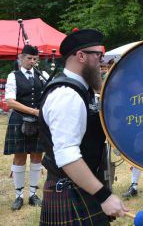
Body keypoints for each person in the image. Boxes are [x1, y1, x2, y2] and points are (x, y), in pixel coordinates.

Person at [38, 29, 128, 225]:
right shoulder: (67, 96)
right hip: (72, 190)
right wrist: (104, 196)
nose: (102, 61)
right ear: (81, 56)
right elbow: (67, 155)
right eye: (98, 55)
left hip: (80, 186)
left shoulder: (81, 91)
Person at [4, 45, 45, 210]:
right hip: (20, 119)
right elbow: (10, 101)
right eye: (29, 58)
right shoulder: (13, 76)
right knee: (20, 157)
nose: (32, 61)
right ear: (21, 58)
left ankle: (33, 194)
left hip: (38, 121)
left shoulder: (42, 75)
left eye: (35, 59)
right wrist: (34, 111)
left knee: (37, 156)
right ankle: (19, 196)